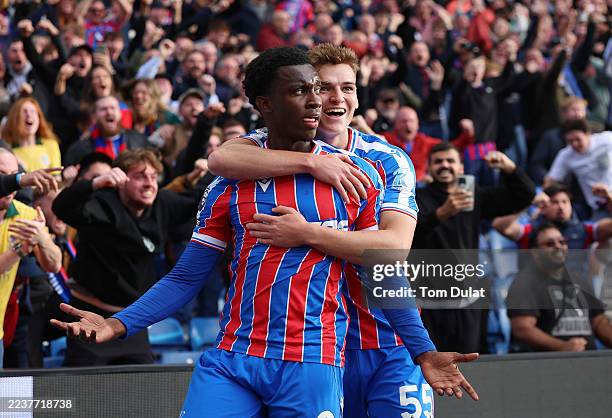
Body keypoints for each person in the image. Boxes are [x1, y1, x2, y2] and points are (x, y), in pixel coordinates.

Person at [51, 47, 475, 417]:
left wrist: (422, 349)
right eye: (303, 91)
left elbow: (384, 267)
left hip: (311, 358)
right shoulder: (229, 181)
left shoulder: (358, 175)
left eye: (321, 89)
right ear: (263, 104)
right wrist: (117, 324)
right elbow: (185, 277)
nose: (319, 101)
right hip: (233, 357)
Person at [208, 43, 479, 415]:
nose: (337, 98)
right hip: (317, 346)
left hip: (389, 337)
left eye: (348, 88)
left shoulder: (386, 158)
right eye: (325, 87)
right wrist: (311, 164)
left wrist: (308, 233)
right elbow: (220, 158)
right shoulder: (265, 147)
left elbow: (394, 248)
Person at [51, 149, 199, 366]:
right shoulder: (102, 203)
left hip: (130, 323)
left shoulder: (162, 202)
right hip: (90, 318)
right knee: (85, 396)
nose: (149, 183)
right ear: (121, 180)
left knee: (139, 396)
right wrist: (94, 183)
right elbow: (61, 207)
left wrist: (208, 173)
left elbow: (198, 203)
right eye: (140, 176)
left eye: (153, 176)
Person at [413, 142, 535, 353]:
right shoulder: (417, 198)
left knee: (470, 361)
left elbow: (524, 195)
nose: (445, 166)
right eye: (438, 162)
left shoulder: (473, 195)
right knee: (432, 366)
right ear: (429, 168)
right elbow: (409, 234)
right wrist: (441, 214)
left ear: (461, 167)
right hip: (428, 300)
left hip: (467, 302)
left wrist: (509, 168)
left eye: (450, 161)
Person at [506, 222, 612, 352]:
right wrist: (562, 347)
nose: (558, 246)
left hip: (586, 364)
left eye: (562, 242)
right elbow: (522, 329)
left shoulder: (579, 280)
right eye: (549, 244)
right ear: (535, 252)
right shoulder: (524, 283)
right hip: (546, 367)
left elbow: (598, 321)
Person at [0, 149, 62, 368]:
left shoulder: (25, 214)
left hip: (2, 328)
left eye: (13, 174)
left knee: (12, 400)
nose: (11, 185)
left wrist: (41, 240)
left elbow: (54, 265)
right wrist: (20, 249)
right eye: (2, 175)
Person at [545, 119, 612, 220]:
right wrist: (543, 198)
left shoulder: (606, 139)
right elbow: (551, 180)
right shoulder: (566, 155)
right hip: (599, 206)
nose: (575, 144)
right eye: (570, 141)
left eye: (578, 139)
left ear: (588, 134)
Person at [63, 96, 147, 166]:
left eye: (113, 108)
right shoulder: (79, 149)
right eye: (103, 109)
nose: (109, 112)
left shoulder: (139, 141)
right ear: (95, 116)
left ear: (120, 114)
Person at [2, 97, 62, 172]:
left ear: (39, 119)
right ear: (15, 119)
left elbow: (57, 179)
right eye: (24, 111)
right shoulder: (7, 152)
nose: (29, 115)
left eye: (33, 111)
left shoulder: (51, 145)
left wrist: (67, 180)